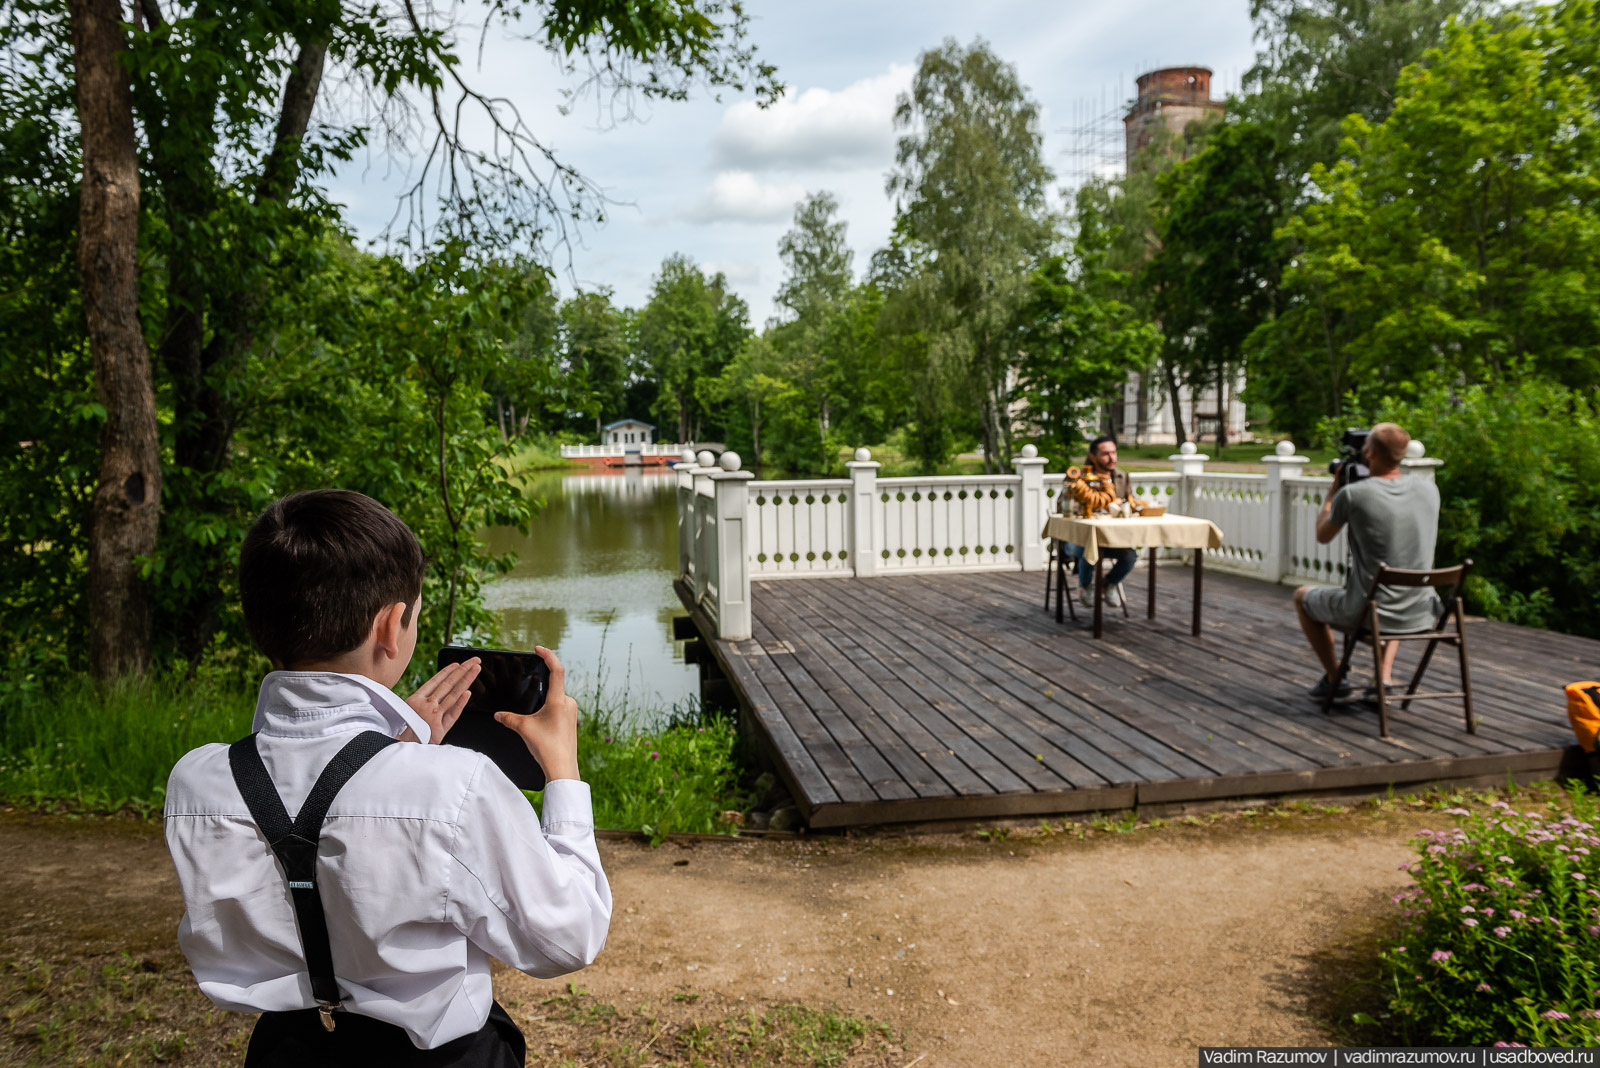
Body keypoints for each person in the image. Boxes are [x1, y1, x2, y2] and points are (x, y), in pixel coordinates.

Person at [163, 489, 611, 1066]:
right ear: (392, 626)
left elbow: (314, 835)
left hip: (284, 1053)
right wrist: (563, 773)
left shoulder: (196, 782)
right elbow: (568, 937)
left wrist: (390, 751)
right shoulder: (454, 787)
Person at [1294, 423, 1440, 700]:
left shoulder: (1353, 495)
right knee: (1395, 582)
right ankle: (1382, 677)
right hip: (1420, 609)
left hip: (1369, 610)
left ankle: (1336, 678)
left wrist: (1331, 495)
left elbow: (1322, 535)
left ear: (1370, 454)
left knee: (1302, 597)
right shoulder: (1430, 490)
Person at [1057, 435, 1145, 608]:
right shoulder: (1078, 478)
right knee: (1088, 550)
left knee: (1130, 556)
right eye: (1105, 454)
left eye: (1114, 453)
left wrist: (1129, 507)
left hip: (1111, 538)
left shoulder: (1122, 477)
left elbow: (1131, 501)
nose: (1112, 458)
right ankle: (1085, 586)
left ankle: (1107, 584)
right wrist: (1091, 502)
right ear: (1093, 456)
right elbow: (1062, 506)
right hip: (1077, 539)